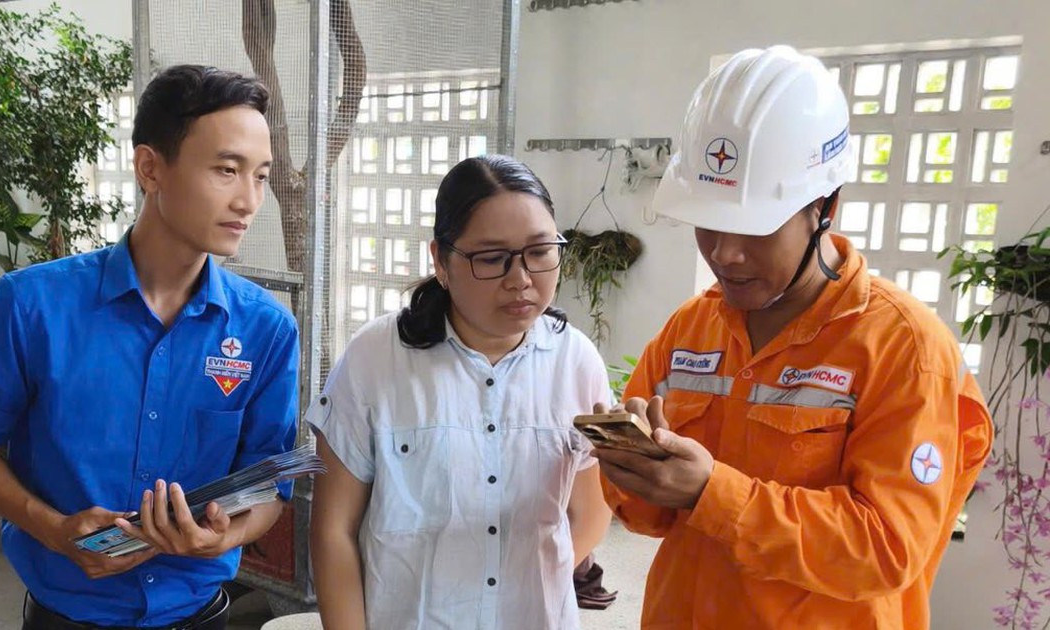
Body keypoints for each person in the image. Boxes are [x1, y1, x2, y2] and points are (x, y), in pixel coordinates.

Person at [594, 45, 994, 629]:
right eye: (710, 223)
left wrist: (711, 492)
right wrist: (635, 470)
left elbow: (887, 548)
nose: (725, 254)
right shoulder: (691, 329)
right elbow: (649, 519)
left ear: (826, 206)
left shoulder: (903, 347)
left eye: (756, 228)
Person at [0, 65, 298, 630]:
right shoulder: (30, 307)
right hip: (64, 616)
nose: (248, 200)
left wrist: (225, 537)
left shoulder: (266, 330)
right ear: (150, 168)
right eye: (227, 170)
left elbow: (268, 486)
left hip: (201, 613)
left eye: (260, 176)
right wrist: (54, 530)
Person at [308, 154, 614, 630]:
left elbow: (590, 512)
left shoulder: (576, 360)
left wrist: (525, 576)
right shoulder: (376, 359)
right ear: (441, 260)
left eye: (539, 252)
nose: (520, 279)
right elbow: (333, 532)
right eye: (491, 259)